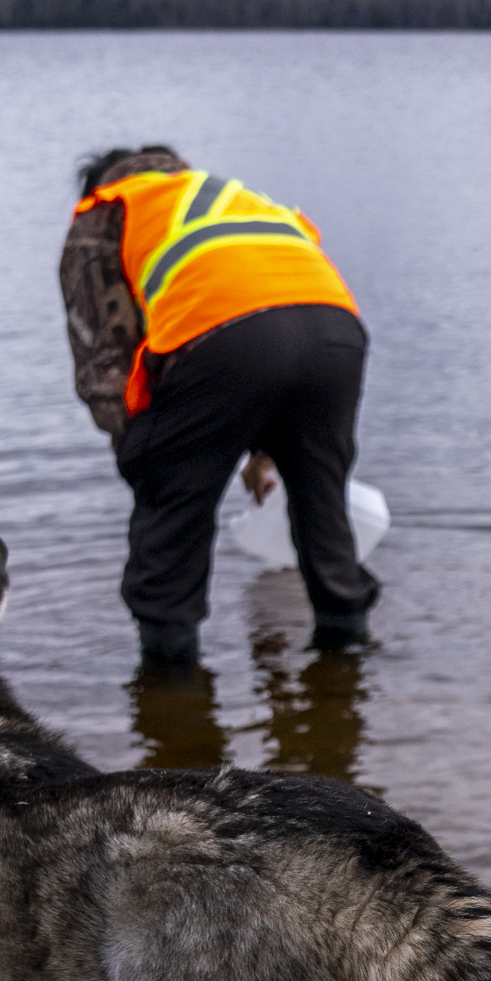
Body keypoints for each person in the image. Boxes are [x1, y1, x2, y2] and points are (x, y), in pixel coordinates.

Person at [62, 145, 379, 660]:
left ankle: (170, 689)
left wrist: (148, 459)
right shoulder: (236, 198)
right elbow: (279, 321)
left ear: (100, 184)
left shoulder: (109, 208)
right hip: (336, 331)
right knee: (322, 510)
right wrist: (265, 449)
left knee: (169, 534)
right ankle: (346, 669)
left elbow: (103, 360)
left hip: (230, 340)